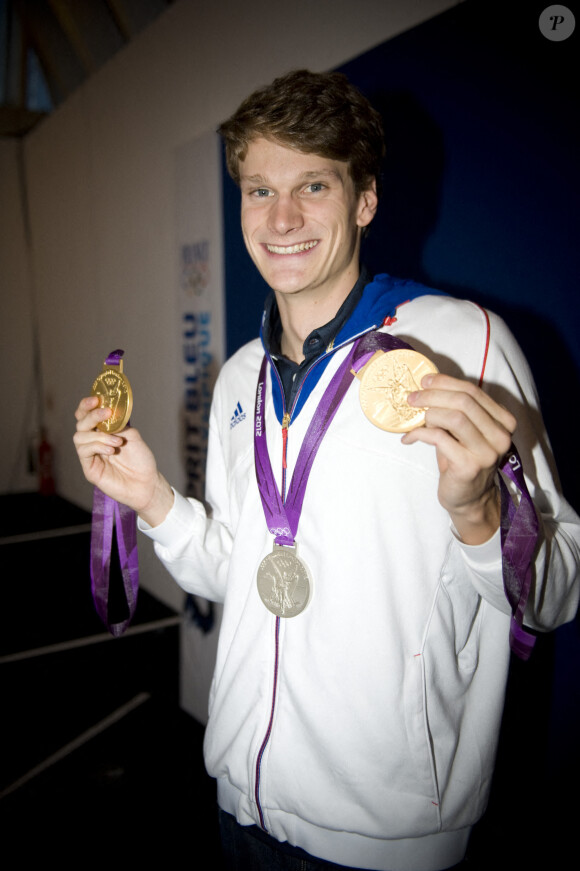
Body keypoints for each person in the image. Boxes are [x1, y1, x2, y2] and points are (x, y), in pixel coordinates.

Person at [74, 70, 580, 871]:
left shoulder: (462, 343)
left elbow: (555, 592)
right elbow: (237, 570)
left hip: (386, 838)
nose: (281, 219)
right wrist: (155, 500)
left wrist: (482, 511)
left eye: (313, 184)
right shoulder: (240, 375)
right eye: (258, 189)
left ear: (365, 200)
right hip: (238, 800)